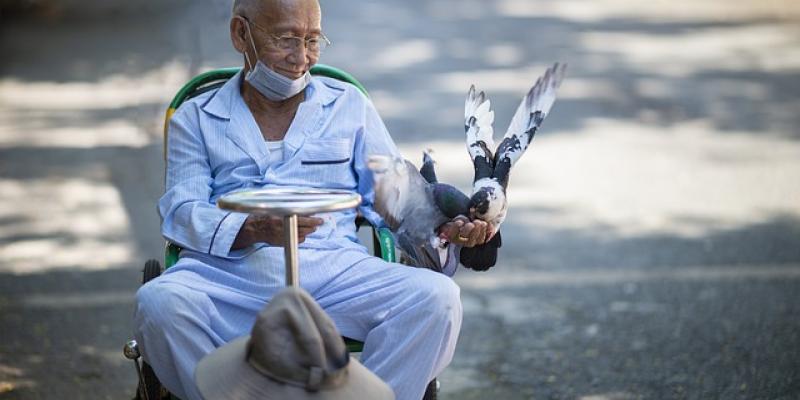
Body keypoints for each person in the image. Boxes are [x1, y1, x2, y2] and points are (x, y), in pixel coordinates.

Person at [134, 0, 493, 399]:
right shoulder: (196, 117)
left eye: (312, 40)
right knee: (159, 305)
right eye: (286, 39)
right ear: (241, 33)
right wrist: (251, 229)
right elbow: (182, 211)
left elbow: (396, 198)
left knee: (436, 300)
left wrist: (444, 229)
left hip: (335, 271)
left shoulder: (348, 105)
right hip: (227, 278)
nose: (301, 57)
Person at [194, 287, 395, 400]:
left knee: (425, 295)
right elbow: (180, 212)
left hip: (337, 263)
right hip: (231, 273)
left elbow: (395, 214)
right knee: (167, 303)